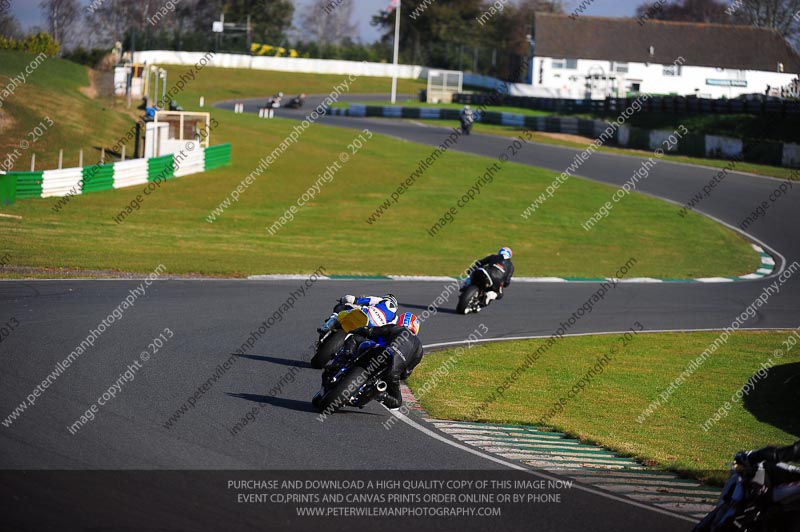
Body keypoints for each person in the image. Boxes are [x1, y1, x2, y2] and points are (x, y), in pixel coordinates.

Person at [331, 312, 423, 410]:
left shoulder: (397, 328)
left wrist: (355, 331)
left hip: (378, 353)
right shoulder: (420, 349)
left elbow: (370, 331)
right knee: (397, 402)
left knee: (355, 338)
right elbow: (406, 374)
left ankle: (342, 360)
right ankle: (377, 394)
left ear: (400, 321)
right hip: (392, 372)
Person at [317, 293, 399, 333]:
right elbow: (390, 328)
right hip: (375, 328)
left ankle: (327, 326)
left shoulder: (380, 300)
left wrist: (343, 299)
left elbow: (353, 299)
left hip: (365, 314)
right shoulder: (395, 317)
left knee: (341, 307)